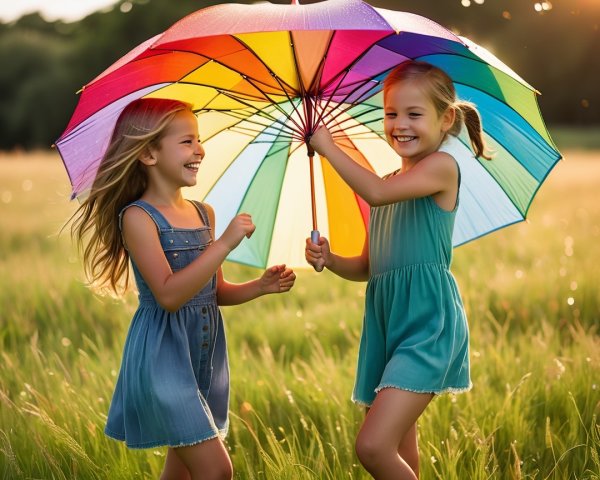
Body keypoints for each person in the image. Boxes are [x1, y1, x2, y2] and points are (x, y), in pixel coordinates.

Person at [69, 98, 296, 480]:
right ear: (148, 153)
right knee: (216, 470)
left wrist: (260, 286)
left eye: (199, 139)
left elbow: (214, 292)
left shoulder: (203, 213)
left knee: (181, 472)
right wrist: (223, 244)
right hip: (163, 357)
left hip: (201, 354)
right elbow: (170, 295)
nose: (200, 149)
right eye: (187, 141)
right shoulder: (139, 218)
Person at [305, 60, 490, 480]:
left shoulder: (441, 169)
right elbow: (370, 267)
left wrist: (330, 146)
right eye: (391, 113)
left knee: (373, 445)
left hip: (427, 324)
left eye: (413, 114)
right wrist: (331, 259)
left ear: (446, 120)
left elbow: (376, 191)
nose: (399, 124)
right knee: (401, 451)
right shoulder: (387, 184)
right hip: (389, 325)